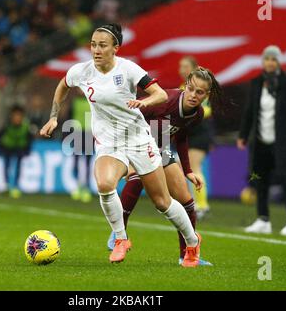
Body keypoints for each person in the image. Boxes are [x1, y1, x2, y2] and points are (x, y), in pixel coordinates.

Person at [40, 23, 201, 267]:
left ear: (116, 48)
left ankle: (192, 242)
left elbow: (159, 94)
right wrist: (53, 115)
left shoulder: (128, 69)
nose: (96, 50)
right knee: (104, 184)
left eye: (102, 45)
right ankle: (121, 239)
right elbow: (63, 85)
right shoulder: (81, 71)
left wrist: (143, 103)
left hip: (138, 139)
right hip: (108, 142)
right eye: (93, 44)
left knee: (162, 202)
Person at [108, 67, 224, 266]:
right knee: (138, 178)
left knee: (187, 201)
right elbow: (128, 116)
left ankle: (187, 255)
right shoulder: (165, 102)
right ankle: (118, 234)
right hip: (135, 140)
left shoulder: (198, 114)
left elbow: (181, 136)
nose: (194, 95)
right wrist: (129, 157)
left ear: (207, 95)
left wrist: (188, 170)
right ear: (185, 86)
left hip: (159, 145)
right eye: (191, 89)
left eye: (200, 92)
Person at [237, 45, 286, 236]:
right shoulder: (257, 82)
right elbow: (249, 112)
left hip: (283, 142)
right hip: (260, 141)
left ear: (279, 62)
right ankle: (263, 219)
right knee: (260, 180)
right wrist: (243, 135)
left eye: (273, 59)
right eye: (267, 58)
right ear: (262, 61)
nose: (270, 62)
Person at [179, 56, 214, 220]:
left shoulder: (202, 89)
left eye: (186, 66)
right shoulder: (182, 88)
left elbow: (207, 111)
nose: (182, 69)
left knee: (194, 168)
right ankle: (195, 203)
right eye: (181, 66)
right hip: (188, 135)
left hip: (200, 133)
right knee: (185, 168)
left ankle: (201, 205)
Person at [0, 105, 33, 199]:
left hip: (19, 148)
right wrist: (0, 149)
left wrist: (27, 150)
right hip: (8, 147)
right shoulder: (7, 125)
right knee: (7, 166)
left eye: (19, 116)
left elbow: (29, 139)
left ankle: (16, 186)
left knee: (18, 167)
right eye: (15, 115)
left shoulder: (25, 126)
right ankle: (7, 185)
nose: (17, 118)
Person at [67, 94, 93, 203]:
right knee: (76, 161)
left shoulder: (92, 101)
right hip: (77, 133)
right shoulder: (74, 102)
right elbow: (69, 118)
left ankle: (86, 188)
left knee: (87, 163)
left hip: (88, 133)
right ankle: (77, 185)